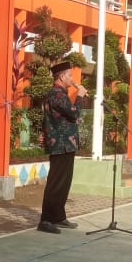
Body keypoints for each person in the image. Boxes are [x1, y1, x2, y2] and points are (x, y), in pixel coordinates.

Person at [38, 60, 89, 234]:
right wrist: (79, 96)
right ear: (61, 77)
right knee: (56, 182)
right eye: (69, 75)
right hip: (60, 144)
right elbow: (74, 113)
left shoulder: (61, 94)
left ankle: (58, 216)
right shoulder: (56, 94)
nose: (72, 79)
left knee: (64, 182)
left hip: (67, 144)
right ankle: (46, 220)